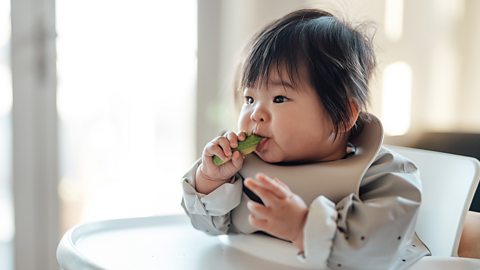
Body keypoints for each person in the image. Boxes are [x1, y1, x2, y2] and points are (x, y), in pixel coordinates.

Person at [181, 9, 430, 269]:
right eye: (249, 98)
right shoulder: (241, 166)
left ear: (343, 115)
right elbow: (207, 228)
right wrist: (211, 180)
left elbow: (379, 247)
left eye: (279, 98)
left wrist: (303, 227)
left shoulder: (382, 175)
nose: (256, 114)